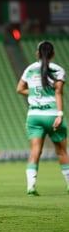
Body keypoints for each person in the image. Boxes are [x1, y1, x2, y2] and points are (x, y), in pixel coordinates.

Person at [16, 40, 69, 196]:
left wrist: (32, 93)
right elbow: (58, 93)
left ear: (37, 54)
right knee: (62, 152)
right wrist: (60, 114)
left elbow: (19, 89)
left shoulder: (30, 69)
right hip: (52, 115)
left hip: (34, 115)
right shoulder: (58, 70)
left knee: (34, 152)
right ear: (52, 54)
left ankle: (31, 186)